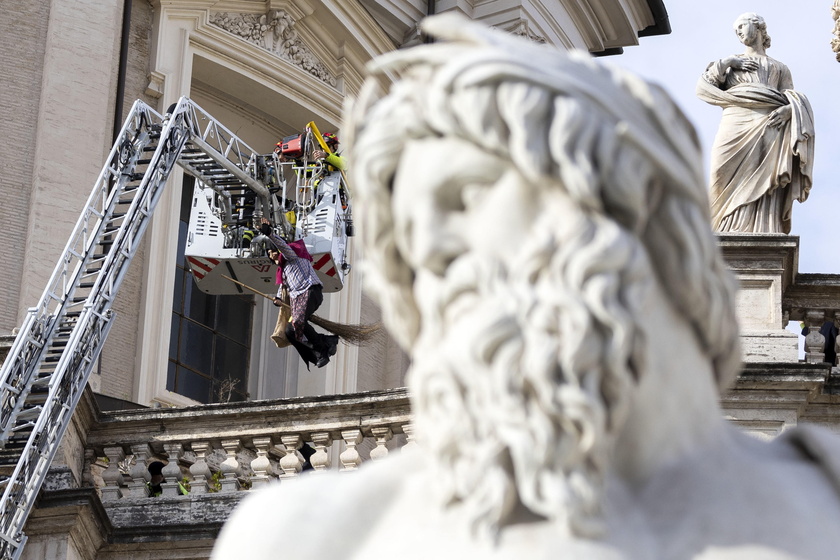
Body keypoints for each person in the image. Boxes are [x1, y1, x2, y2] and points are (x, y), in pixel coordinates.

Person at [213, 14, 840, 560]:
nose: (430, 251)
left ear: (616, 197)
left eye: (464, 197)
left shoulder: (825, 497)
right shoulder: (306, 538)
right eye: (410, 243)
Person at [697, 12, 814, 233]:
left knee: (764, 178)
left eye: (742, 26)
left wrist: (790, 110)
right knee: (718, 174)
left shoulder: (779, 67)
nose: (739, 32)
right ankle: (718, 225)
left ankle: (761, 227)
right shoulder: (731, 64)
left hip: (769, 125)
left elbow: (790, 95)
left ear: (759, 27)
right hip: (734, 121)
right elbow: (704, 88)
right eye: (736, 30)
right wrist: (727, 62)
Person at [261, 218, 337, 369]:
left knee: (297, 322)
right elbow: (283, 287)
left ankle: (323, 348)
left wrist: (270, 233)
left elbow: (283, 246)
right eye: (269, 254)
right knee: (290, 331)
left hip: (310, 292)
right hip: (298, 300)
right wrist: (277, 298)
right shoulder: (283, 272)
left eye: (272, 252)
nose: (271, 256)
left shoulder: (292, 255)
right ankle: (323, 346)